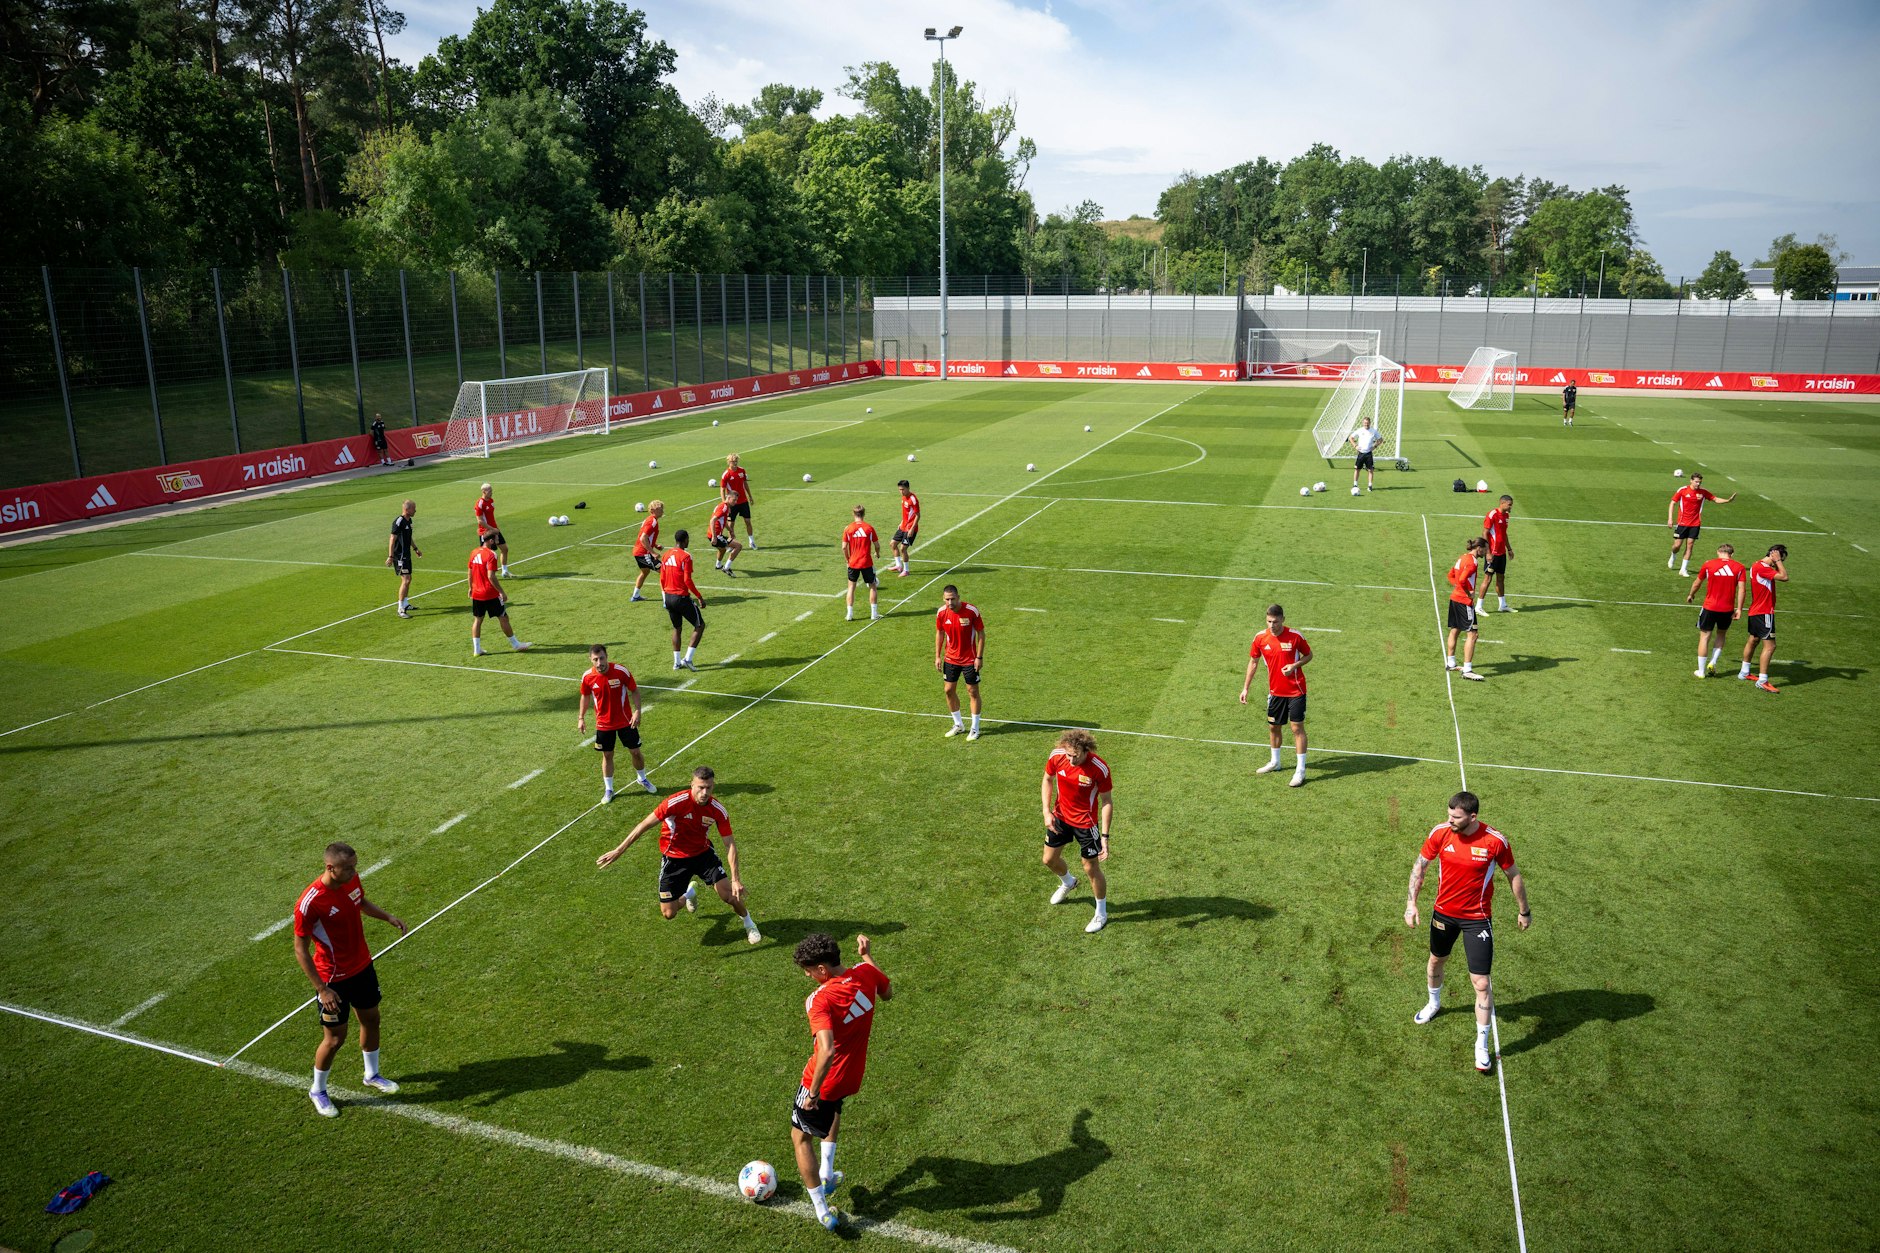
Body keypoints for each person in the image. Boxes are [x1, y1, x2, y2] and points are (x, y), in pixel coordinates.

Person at [1404, 791, 1530, 1074]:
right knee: (1436, 960)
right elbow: (1420, 867)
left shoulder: (1495, 841)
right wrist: (1411, 903)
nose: (1449, 820)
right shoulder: (1440, 833)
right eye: (1449, 815)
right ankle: (1434, 1003)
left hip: (1477, 920)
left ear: (1473, 817)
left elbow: (1513, 874)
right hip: (1444, 915)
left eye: (1456, 817)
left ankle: (1481, 1045)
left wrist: (1524, 910)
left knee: (1481, 983)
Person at [293, 841, 408, 1116]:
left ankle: (372, 1074)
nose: (354, 872)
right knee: (335, 1039)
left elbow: (360, 901)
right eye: (347, 868)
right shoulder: (310, 902)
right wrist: (322, 989)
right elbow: (300, 949)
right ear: (330, 868)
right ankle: (318, 1090)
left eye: (355, 866)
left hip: (362, 968)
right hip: (333, 980)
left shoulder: (351, 879)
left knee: (371, 1020)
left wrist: (387, 917)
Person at [790, 932, 892, 1233]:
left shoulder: (819, 999)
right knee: (834, 1106)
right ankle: (827, 1172)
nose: (808, 976)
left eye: (809, 970)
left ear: (822, 969)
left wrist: (813, 1092)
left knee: (801, 1139)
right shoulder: (866, 973)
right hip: (852, 1075)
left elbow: (827, 1050)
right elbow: (887, 992)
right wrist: (866, 956)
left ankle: (822, 1210)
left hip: (824, 1079)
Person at [595, 766, 760, 944]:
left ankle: (749, 924)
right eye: (700, 787)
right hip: (674, 860)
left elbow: (730, 844)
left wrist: (736, 879)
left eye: (709, 788)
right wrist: (619, 850)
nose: (705, 793)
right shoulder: (675, 802)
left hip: (703, 855)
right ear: (692, 785)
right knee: (669, 913)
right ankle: (689, 894)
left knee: (730, 895)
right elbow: (644, 825)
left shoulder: (717, 809)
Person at [1041, 729, 1113, 934]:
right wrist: (1046, 811)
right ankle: (1069, 882)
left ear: (1086, 751)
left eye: (1076, 756)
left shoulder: (1099, 768)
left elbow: (1107, 802)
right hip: (1060, 817)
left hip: (1086, 824)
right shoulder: (1057, 756)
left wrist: (1105, 837)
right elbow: (1047, 779)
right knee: (1049, 860)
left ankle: (1101, 913)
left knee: (1091, 868)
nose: (1071, 760)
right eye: (1068, 755)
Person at [1238, 603, 1312, 786]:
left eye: (1276, 622)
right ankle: (1275, 762)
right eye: (1269, 621)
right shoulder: (1260, 638)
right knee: (1274, 727)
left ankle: (1300, 770)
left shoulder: (1295, 636)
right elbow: (1253, 662)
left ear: (1283, 620)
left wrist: (1294, 666)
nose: (1272, 625)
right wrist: (1245, 688)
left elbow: (1309, 655)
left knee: (1297, 728)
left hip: (1296, 690)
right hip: (1275, 692)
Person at [578, 644, 654, 802]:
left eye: (602, 658)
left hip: (626, 721)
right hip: (603, 724)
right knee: (607, 755)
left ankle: (642, 778)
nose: (599, 663)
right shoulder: (587, 677)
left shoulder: (621, 671)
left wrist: (638, 711)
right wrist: (581, 718)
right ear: (590, 659)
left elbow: (634, 690)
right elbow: (585, 696)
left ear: (607, 656)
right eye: (595, 659)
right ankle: (609, 789)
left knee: (635, 752)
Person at [1686, 542, 1748, 679]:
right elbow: (1742, 590)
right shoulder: (1740, 567)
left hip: (1710, 607)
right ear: (1732, 554)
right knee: (1721, 634)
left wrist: (1691, 594)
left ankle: (1701, 671)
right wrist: (1739, 609)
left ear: (1718, 552)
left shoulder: (1709, 564)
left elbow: (1697, 582)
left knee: (1704, 637)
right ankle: (1713, 662)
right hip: (1727, 609)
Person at [934, 585, 984, 740]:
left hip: (970, 659)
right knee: (948, 690)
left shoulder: (971, 611)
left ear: (958, 597)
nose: (950, 602)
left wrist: (979, 657)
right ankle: (958, 724)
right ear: (943, 599)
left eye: (952, 599)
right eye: (947, 599)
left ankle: (975, 728)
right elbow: (940, 633)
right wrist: (937, 656)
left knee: (973, 691)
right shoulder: (941, 613)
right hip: (950, 659)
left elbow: (981, 634)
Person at [1737, 544, 1789, 693]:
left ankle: (1744, 672)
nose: (1780, 563)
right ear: (1774, 554)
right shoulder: (1763, 568)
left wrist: (1776, 561)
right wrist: (1778, 561)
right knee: (1770, 646)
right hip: (1764, 612)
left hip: (1755, 611)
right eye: (1781, 559)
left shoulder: (1756, 565)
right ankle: (1763, 681)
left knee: (1753, 640)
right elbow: (1784, 577)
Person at [468, 534, 530, 655]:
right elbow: (491, 576)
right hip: (490, 593)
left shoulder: (474, 552)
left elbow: (470, 572)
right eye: (496, 540)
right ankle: (516, 644)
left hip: (476, 593)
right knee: (503, 617)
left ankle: (477, 649)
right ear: (491, 541)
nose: (497, 541)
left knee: (478, 620)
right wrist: (501, 591)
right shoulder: (491, 554)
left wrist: (470, 587)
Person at [1667, 473, 1735, 576]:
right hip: (1682, 522)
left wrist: (1728, 500)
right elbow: (1672, 503)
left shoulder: (1703, 492)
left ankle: (1683, 569)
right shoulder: (1683, 490)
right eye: (1696, 482)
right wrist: (1670, 518)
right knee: (1677, 545)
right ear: (1691, 481)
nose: (1698, 484)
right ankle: (1673, 555)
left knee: (1690, 545)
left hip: (1695, 523)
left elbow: (1715, 499)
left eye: (1700, 482)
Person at [659, 529, 705, 670]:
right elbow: (687, 580)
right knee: (700, 626)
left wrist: (664, 598)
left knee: (677, 628)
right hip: (681, 597)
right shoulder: (686, 556)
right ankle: (688, 659)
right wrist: (699, 596)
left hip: (668, 597)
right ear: (685, 540)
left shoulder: (666, 555)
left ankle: (677, 662)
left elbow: (662, 578)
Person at [1444, 537, 1489, 680]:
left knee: (1455, 630)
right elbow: (1463, 580)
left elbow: (1451, 575)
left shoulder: (1462, 558)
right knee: (1473, 634)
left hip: (1454, 599)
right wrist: (1468, 592)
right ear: (1479, 548)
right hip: (1464, 602)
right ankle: (1467, 670)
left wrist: (1458, 587)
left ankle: (1451, 663)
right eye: (1485, 549)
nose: (1486, 552)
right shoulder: (1472, 562)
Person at [841, 505, 881, 622]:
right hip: (866, 562)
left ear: (853, 514)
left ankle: (849, 614)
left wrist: (847, 560)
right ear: (864, 514)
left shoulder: (848, 528)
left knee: (851, 588)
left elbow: (844, 547)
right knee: (872, 586)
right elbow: (877, 545)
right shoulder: (869, 528)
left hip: (853, 562)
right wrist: (877, 553)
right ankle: (874, 614)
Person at [1479, 494, 1516, 613]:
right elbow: (1484, 533)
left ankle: (1502, 605)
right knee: (1488, 579)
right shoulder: (1492, 514)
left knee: (1501, 578)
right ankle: (1478, 606)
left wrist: (1509, 549)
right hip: (1493, 553)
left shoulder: (1506, 516)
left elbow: (1504, 533)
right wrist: (1488, 552)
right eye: (1509, 505)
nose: (1510, 507)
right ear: (1502, 503)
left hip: (1501, 553)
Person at [387, 499, 421, 618]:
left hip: (407, 555)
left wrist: (415, 548)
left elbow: (408, 537)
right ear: (407, 509)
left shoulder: (409, 520)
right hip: (399, 556)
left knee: (408, 578)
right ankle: (400, 608)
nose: (415, 510)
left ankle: (405, 603)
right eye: (413, 508)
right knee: (406, 579)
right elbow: (392, 539)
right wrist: (391, 556)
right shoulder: (399, 521)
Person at [630, 500, 665, 602]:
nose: (662, 511)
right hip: (643, 553)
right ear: (653, 510)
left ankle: (635, 596)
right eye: (660, 509)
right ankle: (666, 600)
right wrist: (653, 552)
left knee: (645, 572)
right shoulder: (652, 522)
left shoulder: (651, 520)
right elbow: (643, 538)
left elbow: (646, 537)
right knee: (664, 571)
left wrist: (655, 545)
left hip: (639, 552)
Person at [475, 483, 511, 577]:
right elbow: (480, 521)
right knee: (486, 554)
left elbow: (491, 517)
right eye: (489, 491)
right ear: (483, 491)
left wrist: (496, 529)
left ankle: (504, 571)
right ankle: (484, 574)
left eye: (492, 490)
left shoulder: (491, 501)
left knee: (505, 549)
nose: (492, 492)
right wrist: (492, 529)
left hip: (494, 529)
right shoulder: (480, 503)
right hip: (485, 532)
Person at [721, 454, 755, 547]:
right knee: (730, 525)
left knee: (748, 521)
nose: (735, 463)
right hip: (732, 503)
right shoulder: (726, 474)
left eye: (736, 461)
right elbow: (722, 489)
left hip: (743, 501)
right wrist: (725, 503)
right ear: (729, 462)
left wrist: (750, 496)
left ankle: (751, 541)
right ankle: (731, 544)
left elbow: (745, 484)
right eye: (733, 461)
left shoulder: (742, 471)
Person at [891, 479, 920, 575]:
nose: (901, 491)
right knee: (893, 544)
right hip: (903, 526)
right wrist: (901, 522)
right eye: (900, 489)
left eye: (903, 489)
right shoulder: (903, 498)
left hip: (910, 529)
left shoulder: (913, 499)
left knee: (903, 548)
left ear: (908, 488)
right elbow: (906, 513)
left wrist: (912, 529)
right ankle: (898, 566)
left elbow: (918, 515)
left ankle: (906, 570)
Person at [1346, 415, 1383, 491]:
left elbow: (1380, 439)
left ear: (1370, 423)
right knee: (1357, 469)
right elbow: (1350, 438)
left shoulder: (1373, 431)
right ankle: (1355, 485)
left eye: (1367, 423)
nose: (1366, 424)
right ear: (1363, 423)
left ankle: (1370, 486)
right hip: (1361, 453)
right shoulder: (1360, 430)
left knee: (1370, 470)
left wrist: (1374, 446)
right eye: (1365, 423)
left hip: (1368, 453)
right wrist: (1355, 446)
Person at [708, 498, 742, 576]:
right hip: (716, 535)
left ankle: (718, 565)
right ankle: (726, 567)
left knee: (722, 549)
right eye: (734, 500)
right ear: (729, 498)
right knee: (738, 546)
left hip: (713, 534)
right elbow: (712, 520)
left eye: (736, 500)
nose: (736, 502)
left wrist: (730, 531)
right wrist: (714, 537)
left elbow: (724, 521)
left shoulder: (724, 506)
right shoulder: (724, 507)